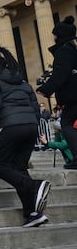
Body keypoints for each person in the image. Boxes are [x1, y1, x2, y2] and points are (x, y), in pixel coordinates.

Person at [0, 48, 50, 227]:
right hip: (30, 126)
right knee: (19, 169)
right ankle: (32, 213)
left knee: (0, 167)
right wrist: (32, 124)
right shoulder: (21, 81)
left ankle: (35, 186)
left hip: (9, 127)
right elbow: (35, 107)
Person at [36, 15, 77, 169]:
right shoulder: (73, 48)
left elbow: (61, 74)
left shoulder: (64, 51)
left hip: (73, 96)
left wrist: (45, 89)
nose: (52, 37)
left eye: (54, 34)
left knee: (66, 124)